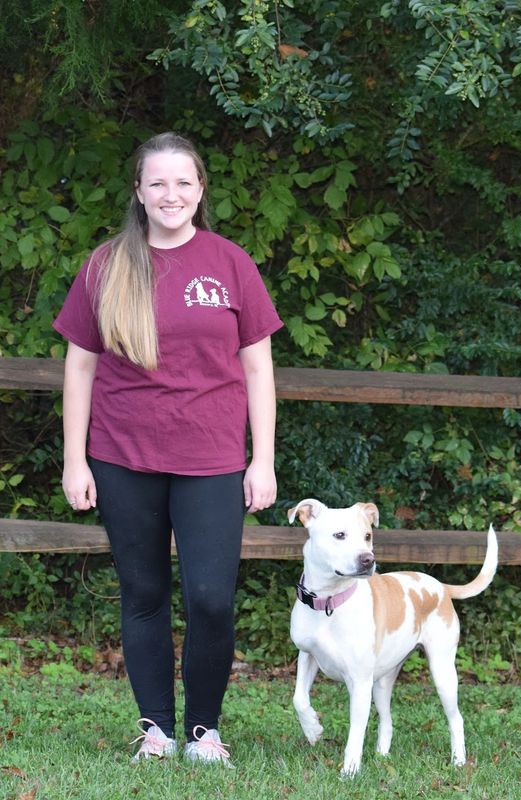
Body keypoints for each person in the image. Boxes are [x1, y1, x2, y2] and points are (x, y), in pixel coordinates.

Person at [53, 132, 283, 765]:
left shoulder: (230, 262)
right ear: (139, 191)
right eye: (157, 182)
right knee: (144, 593)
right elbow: (79, 368)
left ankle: (203, 729)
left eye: (183, 182)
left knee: (211, 597)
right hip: (123, 455)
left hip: (212, 458)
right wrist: (76, 460)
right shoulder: (107, 264)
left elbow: (258, 370)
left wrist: (261, 459)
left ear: (200, 190)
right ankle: (156, 728)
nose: (170, 194)